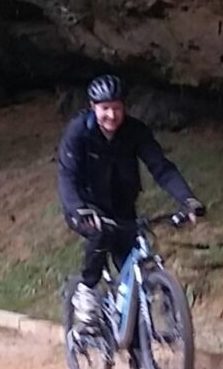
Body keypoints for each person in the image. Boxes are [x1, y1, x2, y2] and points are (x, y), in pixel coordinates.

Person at [56, 74, 203, 332]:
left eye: (117, 108)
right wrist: (78, 208)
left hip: (123, 209)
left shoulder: (135, 132)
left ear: (124, 107)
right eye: (105, 108)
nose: (111, 115)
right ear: (93, 107)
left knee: (131, 282)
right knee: (100, 235)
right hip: (86, 208)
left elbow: (162, 168)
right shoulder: (79, 132)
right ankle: (87, 292)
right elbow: (67, 174)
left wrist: (187, 199)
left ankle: (141, 357)